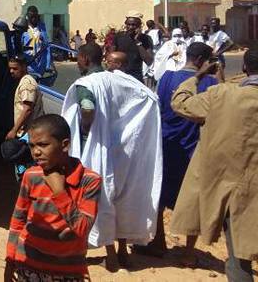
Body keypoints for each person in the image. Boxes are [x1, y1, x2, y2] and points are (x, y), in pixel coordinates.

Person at [62, 44, 162, 272]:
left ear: (85, 59)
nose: (77, 63)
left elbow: (87, 108)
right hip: (121, 152)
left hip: (94, 150)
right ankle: (123, 251)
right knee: (120, 197)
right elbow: (148, 97)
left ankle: (109, 255)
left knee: (96, 200)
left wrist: (86, 127)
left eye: (78, 59)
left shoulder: (87, 84)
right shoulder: (119, 79)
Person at [170, 48, 258, 281]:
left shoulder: (221, 95)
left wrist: (198, 76)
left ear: (244, 68)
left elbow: (181, 102)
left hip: (236, 190)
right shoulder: (223, 92)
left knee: (240, 258)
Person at [134, 42, 219, 264]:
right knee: (193, 200)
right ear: (202, 61)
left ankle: (158, 242)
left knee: (159, 195)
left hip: (167, 144)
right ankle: (189, 253)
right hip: (194, 149)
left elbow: (158, 109)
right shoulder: (210, 83)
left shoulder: (167, 78)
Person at [4, 115, 102, 282]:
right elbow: (18, 220)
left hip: (68, 271)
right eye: (32, 146)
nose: (35, 152)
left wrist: (60, 193)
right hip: (28, 266)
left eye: (43, 145)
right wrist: (10, 261)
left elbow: (83, 229)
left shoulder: (89, 181)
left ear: (64, 145)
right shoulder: (31, 176)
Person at [6, 55, 43, 140]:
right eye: (10, 68)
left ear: (24, 67)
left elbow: (27, 109)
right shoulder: (23, 81)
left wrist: (14, 131)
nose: (11, 71)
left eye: (15, 69)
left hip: (30, 132)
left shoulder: (27, 84)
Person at [111, 12, 154, 83]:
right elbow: (111, 56)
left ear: (139, 26)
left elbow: (149, 61)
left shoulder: (145, 39)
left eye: (134, 25)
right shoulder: (118, 37)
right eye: (128, 24)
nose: (130, 27)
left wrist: (138, 42)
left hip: (136, 77)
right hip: (119, 77)